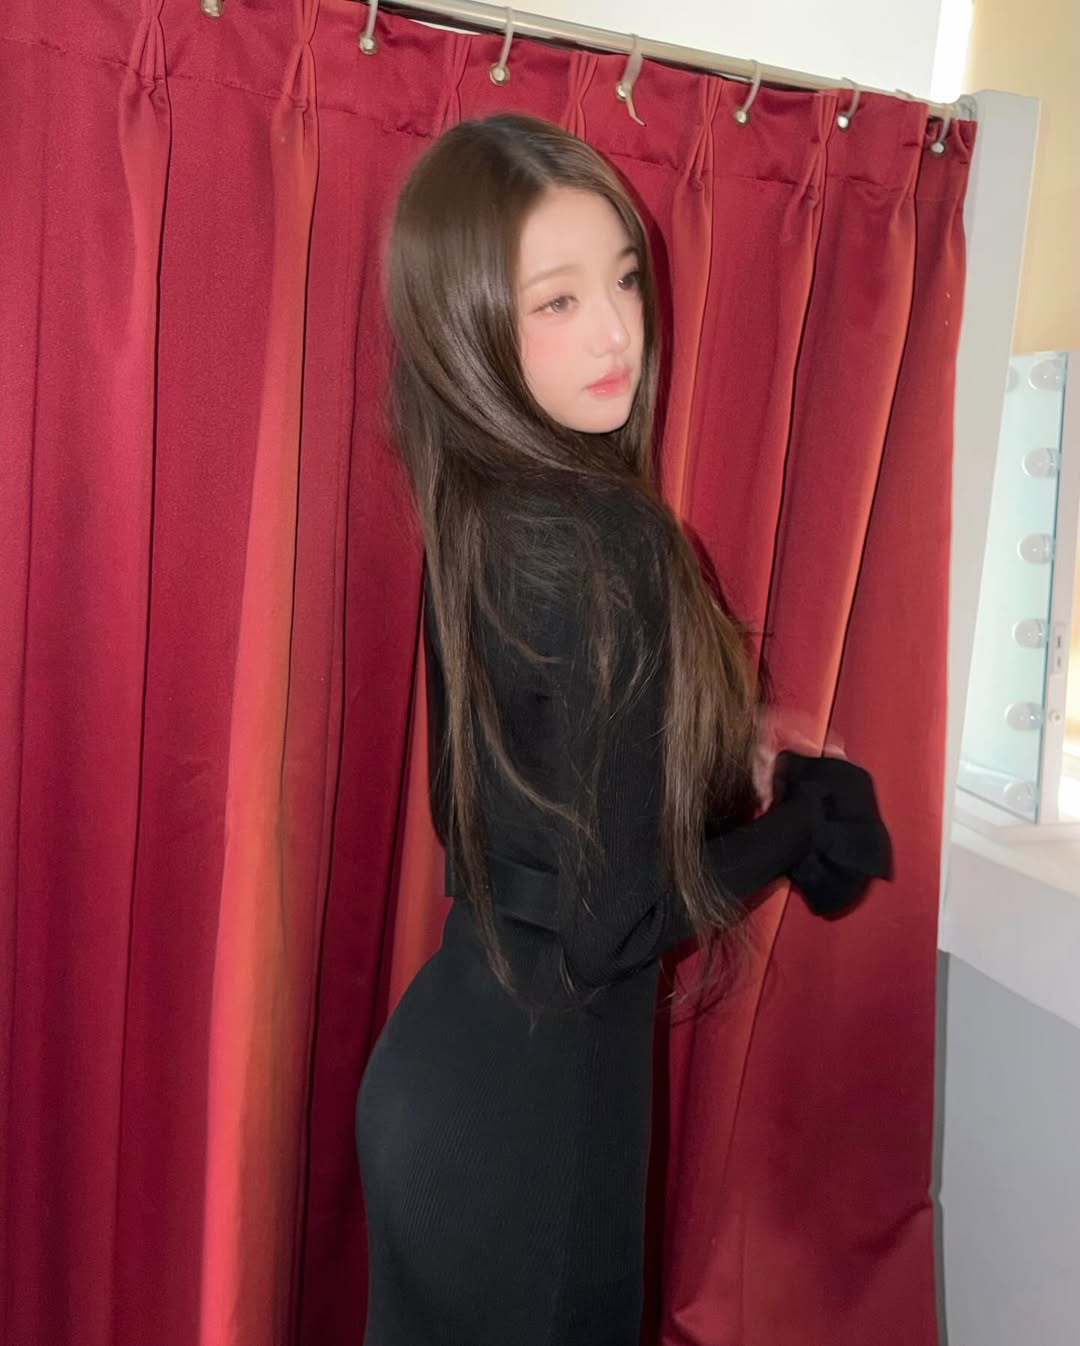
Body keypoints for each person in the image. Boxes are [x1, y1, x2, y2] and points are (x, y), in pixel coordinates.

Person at [355, 111, 892, 1346]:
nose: (616, 333)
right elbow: (614, 925)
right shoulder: (609, 537)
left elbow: (524, 796)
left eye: (626, 280)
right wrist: (803, 823)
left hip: (439, 1074)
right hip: (538, 1132)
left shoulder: (479, 504)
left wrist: (735, 741)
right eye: (557, 299)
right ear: (469, 323)